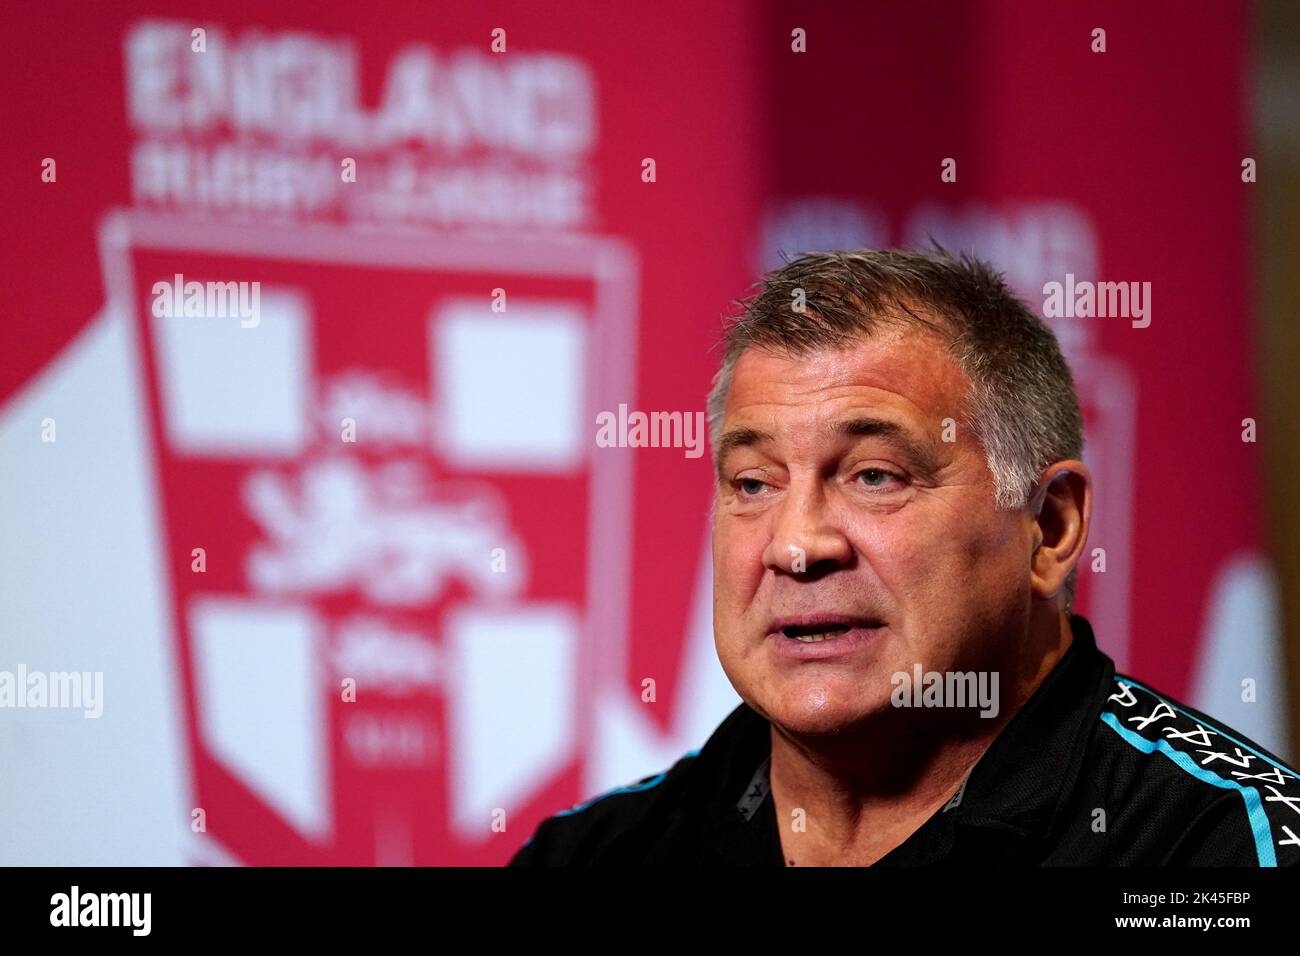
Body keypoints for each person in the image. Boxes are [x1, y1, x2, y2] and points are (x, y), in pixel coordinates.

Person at [509, 248, 1300, 866]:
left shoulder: (1221, 850)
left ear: (1051, 527)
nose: (796, 545)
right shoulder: (591, 853)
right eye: (753, 483)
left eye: (875, 476)